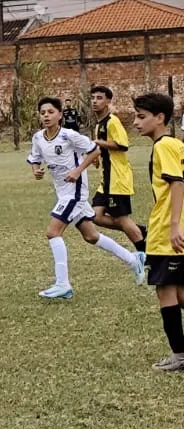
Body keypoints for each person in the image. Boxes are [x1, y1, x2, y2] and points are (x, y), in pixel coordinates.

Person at [26, 96, 144, 300]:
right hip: (62, 192)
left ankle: (63, 284)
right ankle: (134, 260)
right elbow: (35, 158)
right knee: (91, 236)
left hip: (75, 191)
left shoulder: (69, 135)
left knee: (53, 232)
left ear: (60, 115)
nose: (46, 115)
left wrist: (78, 171)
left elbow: (94, 150)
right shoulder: (38, 138)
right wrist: (36, 170)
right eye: (43, 112)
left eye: (51, 112)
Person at [131, 94, 184, 369]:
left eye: (141, 116)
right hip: (167, 227)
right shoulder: (176, 144)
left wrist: (174, 226)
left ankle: (179, 355)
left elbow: (177, 184)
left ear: (160, 117)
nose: (136, 122)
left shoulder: (165, 146)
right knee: (179, 292)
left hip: (168, 231)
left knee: (166, 290)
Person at [88, 85, 146, 252]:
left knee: (121, 218)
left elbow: (122, 145)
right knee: (95, 216)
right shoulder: (99, 125)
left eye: (99, 98)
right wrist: (97, 158)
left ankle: (144, 252)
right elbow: (103, 149)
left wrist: (99, 143)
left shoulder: (113, 121)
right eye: (93, 98)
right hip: (105, 181)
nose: (94, 101)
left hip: (117, 179)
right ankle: (139, 230)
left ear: (108, 101)